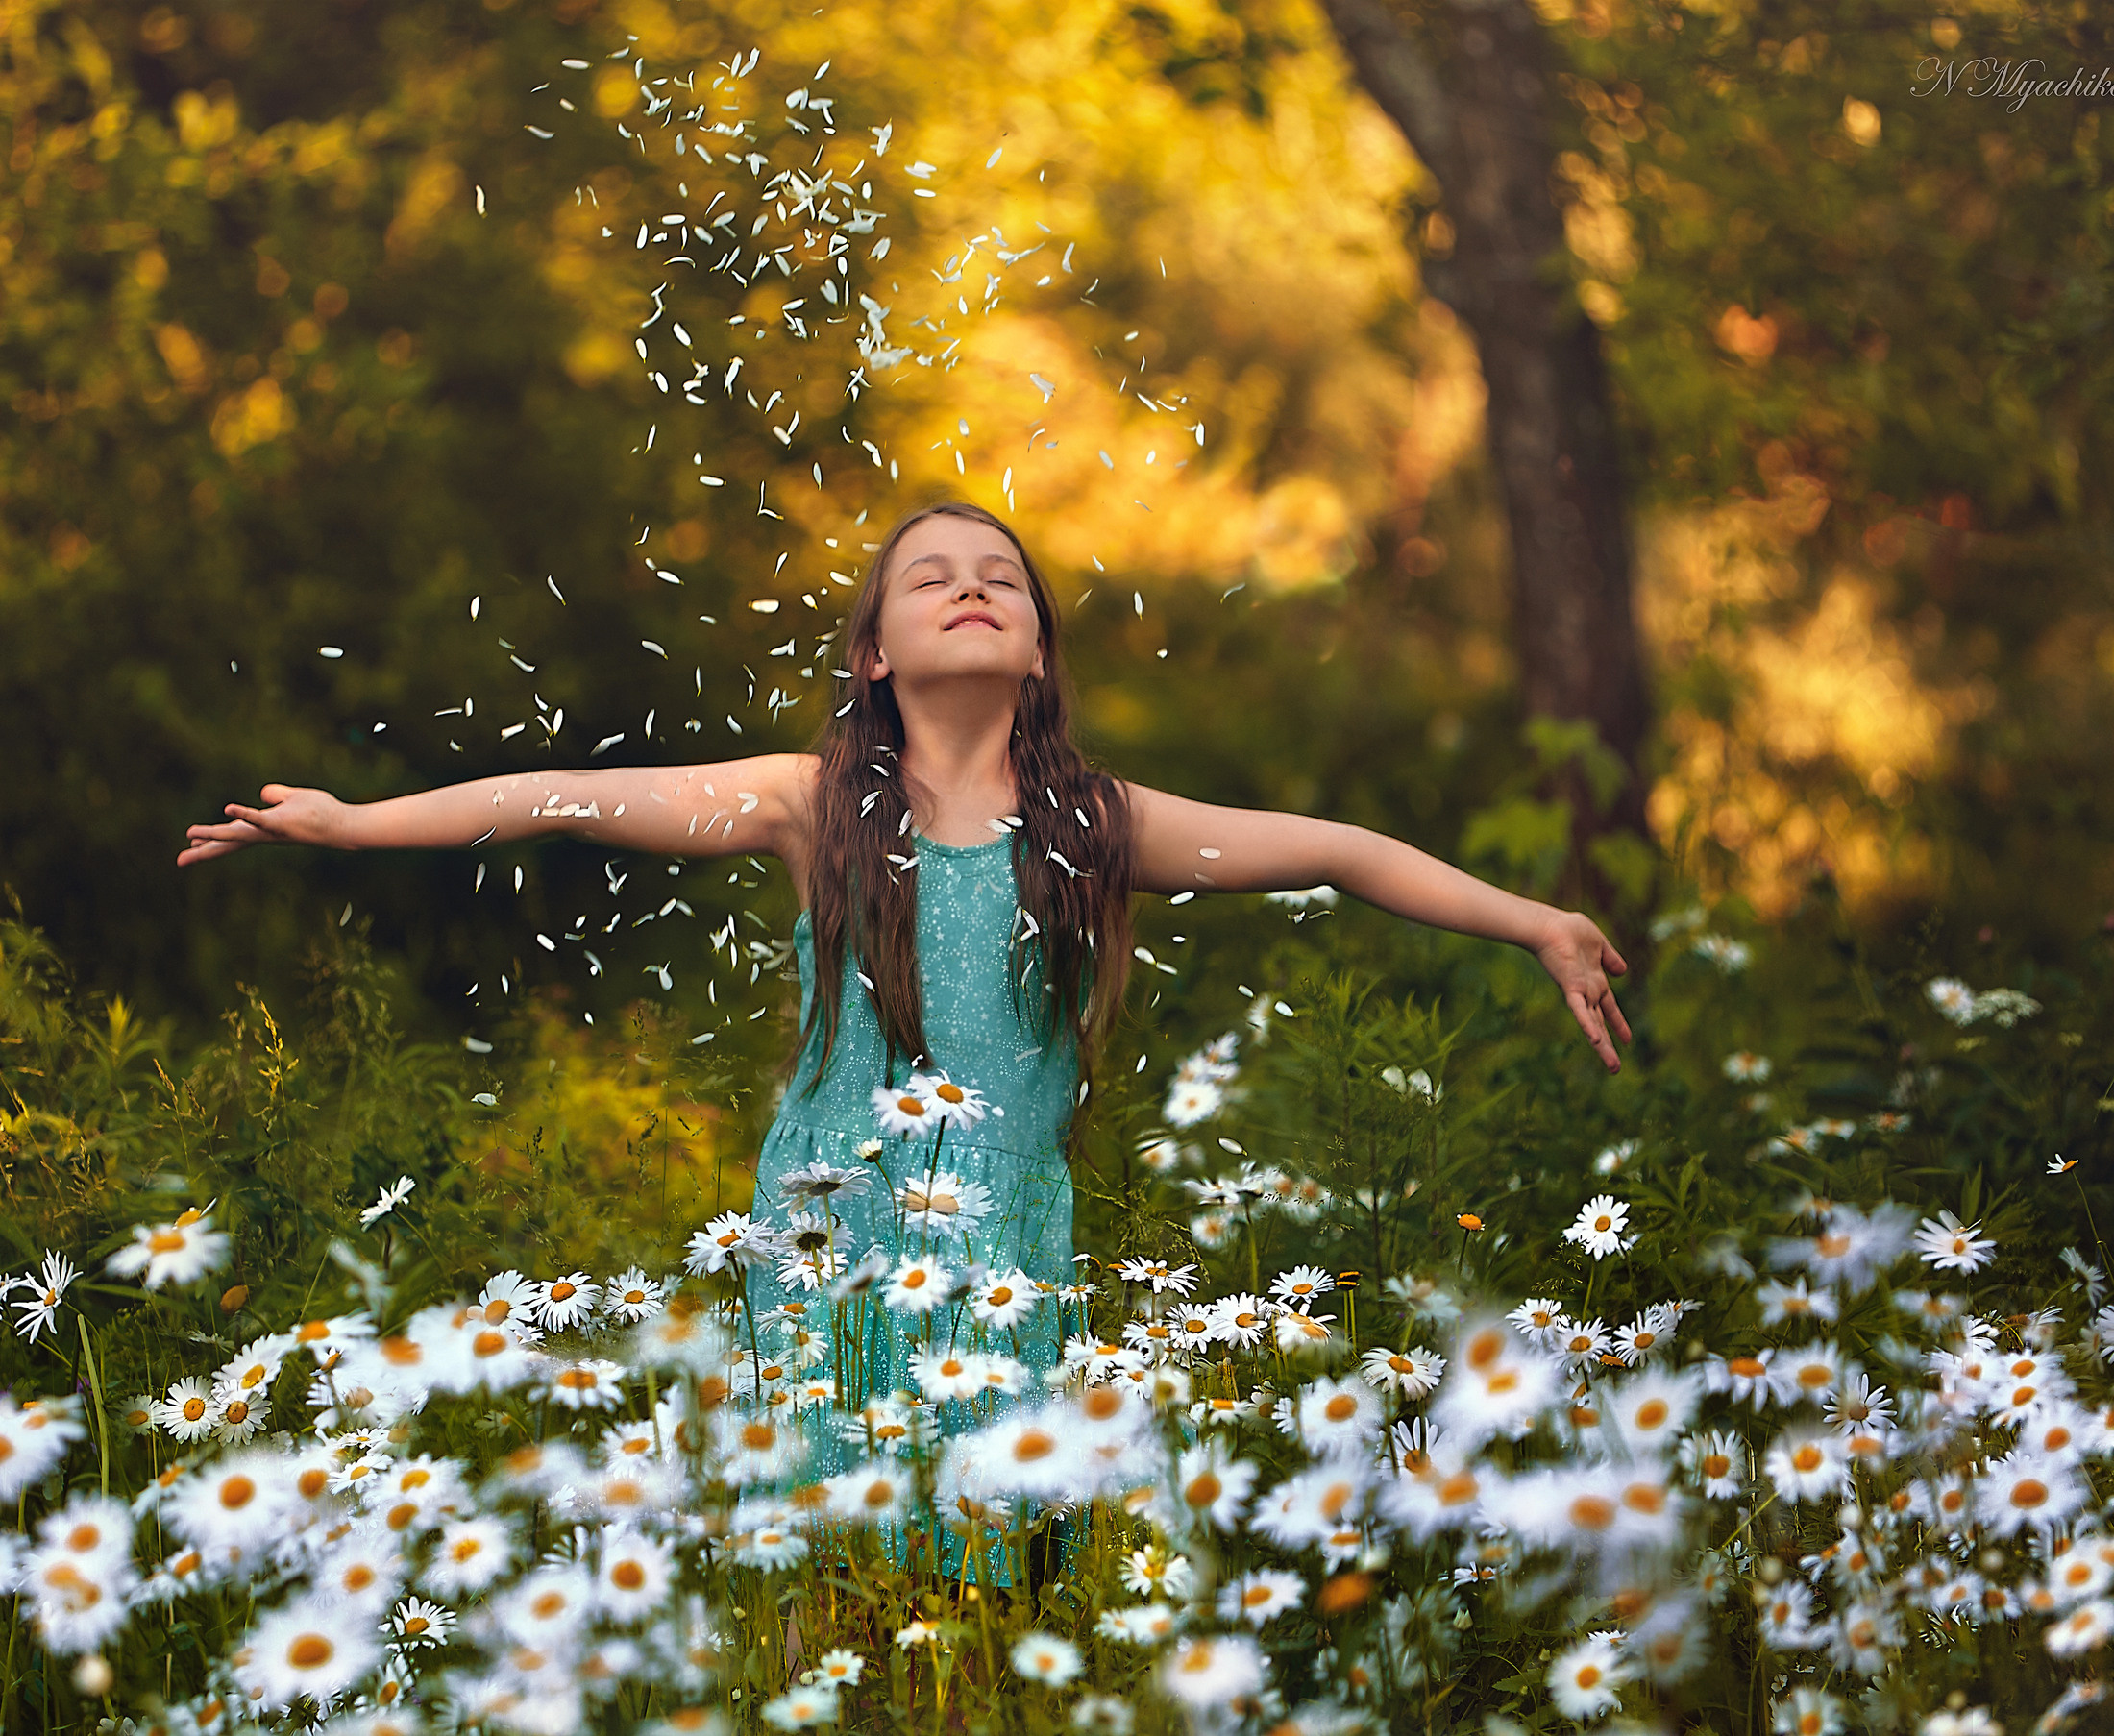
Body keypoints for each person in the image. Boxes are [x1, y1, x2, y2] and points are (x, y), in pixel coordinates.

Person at [178, 499, 1634, 1577]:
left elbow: (1338, 850)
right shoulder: (811, 802)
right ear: (874, 652)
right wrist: (359, 825)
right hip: (829, 1231)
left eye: (1003, 578)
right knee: (826, 1566)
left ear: (1040, 649)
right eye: (932, 578)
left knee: (983, 1581)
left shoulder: (1096, 825)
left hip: (1008, 1249)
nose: (973, 588)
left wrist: (1536, 923)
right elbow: (567, 793)